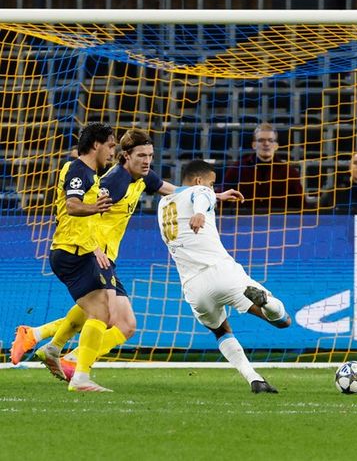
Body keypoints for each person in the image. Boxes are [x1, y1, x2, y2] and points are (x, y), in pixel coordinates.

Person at [12, 130, 243, 379]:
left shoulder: (143, 177)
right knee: (112, 318)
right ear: (125, 156)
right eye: (141, 155)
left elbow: (174, 190)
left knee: (113, 319)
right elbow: (88, 216)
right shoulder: (114, 182)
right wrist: (95, 248)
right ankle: (70, 359)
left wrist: (211, 195)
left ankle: (43, 340)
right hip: (92, 254)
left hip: (107, 256)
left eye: (150, 155)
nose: (147, 161)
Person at [158, 159, 291, 394]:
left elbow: (191, 193)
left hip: (193, 287)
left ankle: (254, 379)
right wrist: (201, 211)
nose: (211, 188)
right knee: (283, 322)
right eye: (211, 184)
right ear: (200, 181)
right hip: (222, 273)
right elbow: (201, 196)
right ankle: (267, 303)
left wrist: (214, 197)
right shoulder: (200, 192)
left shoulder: (162, 205)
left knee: (220, 330)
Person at [39, 122, 116, 392]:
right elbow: (72, 206)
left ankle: (53, 347)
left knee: (102, 309)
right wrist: (95, 206)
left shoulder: (88, 174)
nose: (112, 152)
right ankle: (80, 377)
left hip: (79, 251)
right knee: (101, 312)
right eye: (110, 145)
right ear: (96, 144)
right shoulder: (78, 170)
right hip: (70, 253)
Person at [222, 123, 303, 212]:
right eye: (261, 140)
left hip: (278, 223)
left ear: (276, 146)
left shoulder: (289, 173)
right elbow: (223, 201)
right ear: (253, 145)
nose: (266, 144)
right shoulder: (237, 169)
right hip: (244, 223)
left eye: (270, 140)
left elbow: (300, 206)